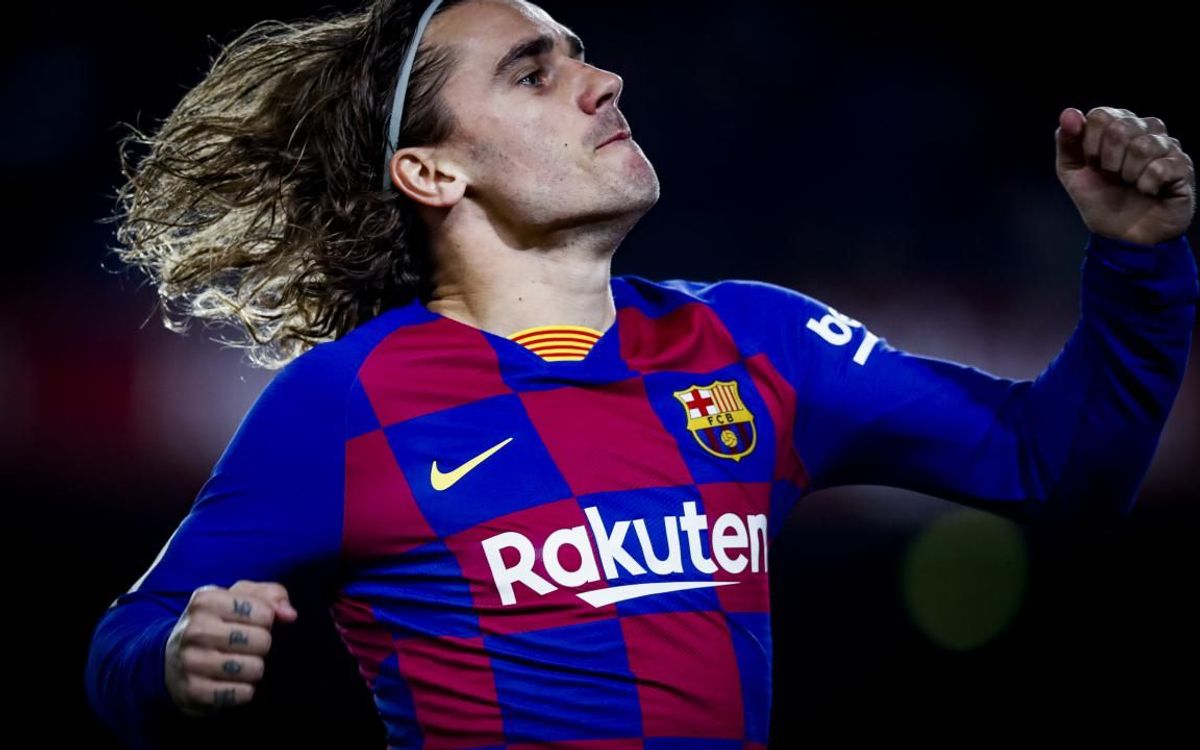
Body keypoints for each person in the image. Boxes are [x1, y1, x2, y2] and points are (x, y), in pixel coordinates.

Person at [85, 0, 1198, 747]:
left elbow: (1059, 466)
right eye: (534, 72)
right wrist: (176, 658)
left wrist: (1138, 260)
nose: (604, 79)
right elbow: (126, 641)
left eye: (579, 51)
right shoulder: (347, 403)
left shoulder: (757, 345)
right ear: (431, 172)